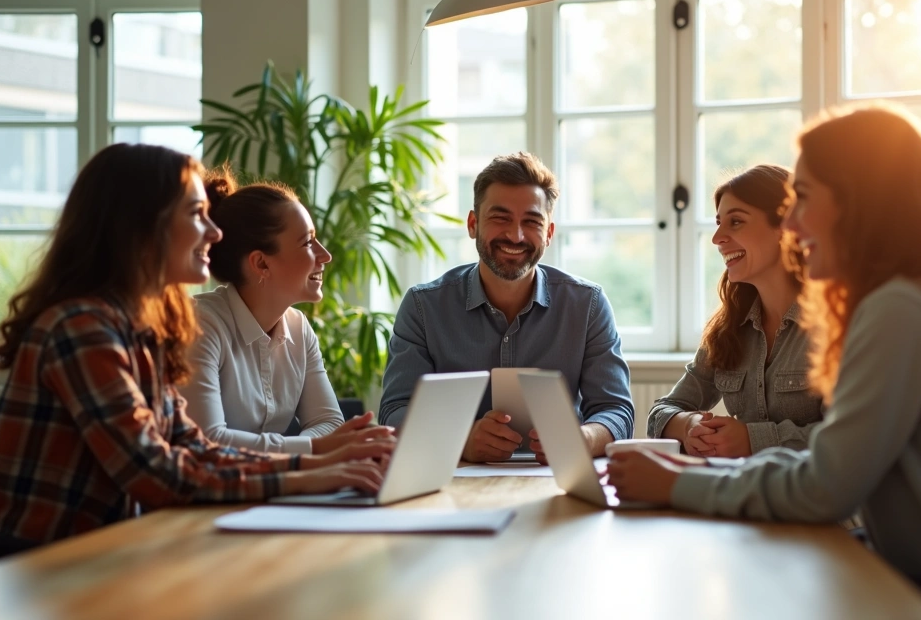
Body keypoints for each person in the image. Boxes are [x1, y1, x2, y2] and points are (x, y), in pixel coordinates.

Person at [607, 104, 921, 577]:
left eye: (803, 198)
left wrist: (678, 483)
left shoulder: (901, 310)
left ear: (858, 200)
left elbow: (824, 487)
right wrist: (691, 468)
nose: (791, 226)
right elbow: (832, 472)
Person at [0, 144, 391, 544]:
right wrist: (309, 472)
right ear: (142, 228)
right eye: (196, 214)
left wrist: (319, 465)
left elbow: (194, 449)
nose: (213, 231)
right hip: (36, 567)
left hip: (109, 551)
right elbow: (155, 471)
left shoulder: (140, 329)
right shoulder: (81, 329)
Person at [379, 152, 633, 464]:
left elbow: (616, 411)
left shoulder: (588, 304)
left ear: (549, 234)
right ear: (473, 224)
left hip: (557, 481)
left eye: (532, 221)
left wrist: (582, 438)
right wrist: (461, 440)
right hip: (452, 479)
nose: (516, 235)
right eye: (500, 218)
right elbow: (394, 412)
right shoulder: (422, 307)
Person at [180, 169, 394, 455]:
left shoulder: (298, 327)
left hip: (273, 489)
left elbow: (328, 421)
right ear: (261, 264)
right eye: (307, 242)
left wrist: (315, 449)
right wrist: (315, 449)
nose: (325, 255)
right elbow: (208, 441)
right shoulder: (200, 324)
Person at [648, 165, 822, 457]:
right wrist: (690, 425)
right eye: (718, 223)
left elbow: (849, 439)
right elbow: (660, 414)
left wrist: (752, 439)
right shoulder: (728, 328)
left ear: (786, 227)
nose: (717, 238)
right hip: (743, 492)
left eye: (736, 222)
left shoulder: (836, 325)